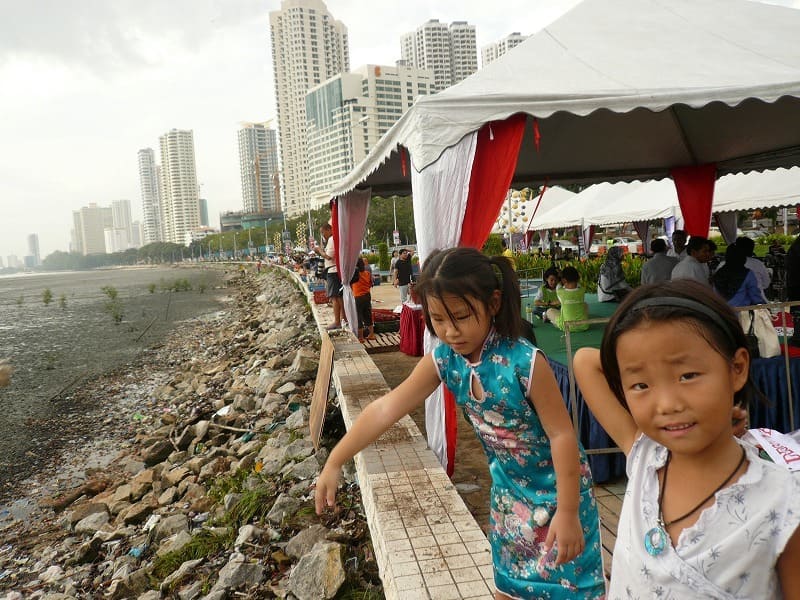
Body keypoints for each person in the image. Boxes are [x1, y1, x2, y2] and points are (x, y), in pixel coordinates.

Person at [316, 247, 605, 599]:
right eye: (438, 319)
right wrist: (335, 459)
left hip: (563, 495)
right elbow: (385, 409)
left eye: (461, 316)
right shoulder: (444, 360)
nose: (450, 332)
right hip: (509, 501)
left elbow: (562, 436)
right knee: (509, 589)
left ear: (494, 303)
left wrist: (570, 511)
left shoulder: (525, 363)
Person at [573, 280, 800, 598]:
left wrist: (718, 410)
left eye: (688, 375)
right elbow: (584, 361)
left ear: (737, 368)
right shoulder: (645, 457)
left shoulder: (785, 503)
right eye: (640, 385)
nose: (667, 404)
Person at [314, 223, 343, 330]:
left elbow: (328, 257)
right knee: (339, 297)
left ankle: (337, 321)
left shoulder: (331, 240)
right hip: (335, 270)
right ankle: (342, 319)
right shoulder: (335, 239)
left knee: (335, 297)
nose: (323, 235)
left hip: (333, 271)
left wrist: (319, 250)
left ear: (328, 230)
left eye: (323, 232)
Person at [546, 266, 589, 332]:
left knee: (549, 311)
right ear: (577, 279)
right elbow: (577, 284)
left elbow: (559, 285)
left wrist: (560, 277)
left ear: (564, 280)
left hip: (567, 327)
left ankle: (554, 322)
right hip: (583, 326)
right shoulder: (582, 290)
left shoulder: (560, 292)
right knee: (585, 304)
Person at [351, 257, 375, 342]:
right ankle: (371, 334)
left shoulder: (354, 274)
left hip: (358, 297)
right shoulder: (367, 273)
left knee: (359, 316)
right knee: (367, 314)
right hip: (367, 295)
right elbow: (370, 284)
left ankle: (361, 337)